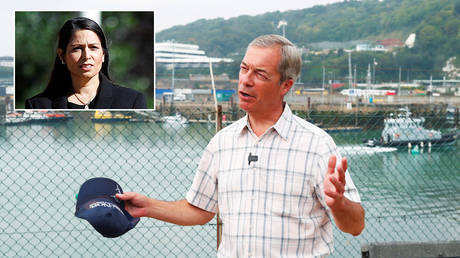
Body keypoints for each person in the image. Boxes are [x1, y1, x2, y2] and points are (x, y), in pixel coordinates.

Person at [117, 34, 365, 257]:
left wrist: (339, 203)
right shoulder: (222, 143)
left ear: (285, 86)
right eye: (244, 69)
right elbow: (199, 210)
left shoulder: (317, 145)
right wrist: (148, 206)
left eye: (260, 74)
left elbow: (355, 226)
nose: (245, 81)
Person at [25, 17, 147, 109]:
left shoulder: (131, 101)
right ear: (62, 55)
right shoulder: (38, 106)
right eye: (77, 48)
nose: (87, 56)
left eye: (93, 47)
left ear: (103, 54)